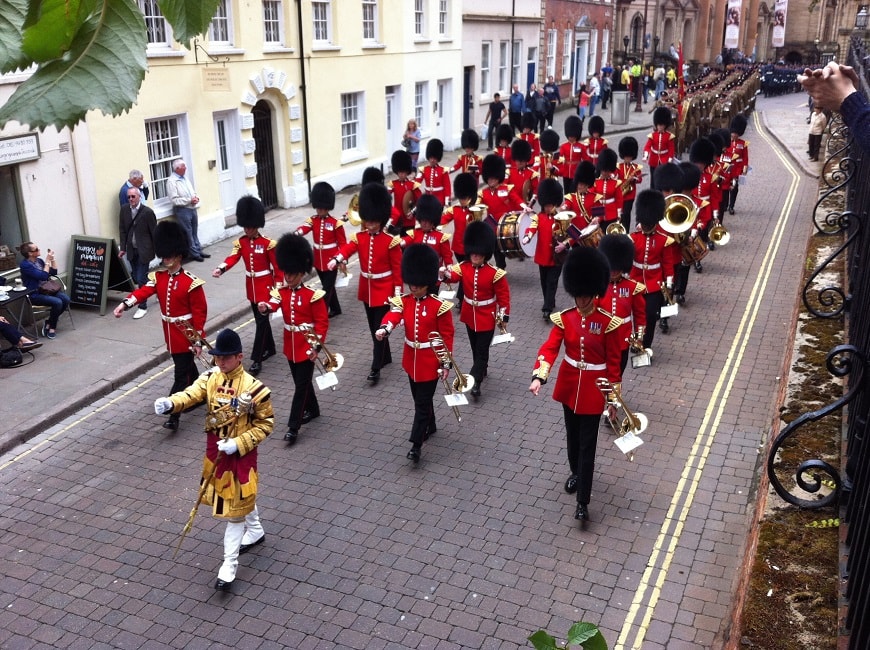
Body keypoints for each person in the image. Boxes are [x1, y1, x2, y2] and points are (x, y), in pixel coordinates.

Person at [153, 327, 273, 591]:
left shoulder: (256, 389)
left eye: (226, 358)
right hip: (214, 451)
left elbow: (266, 425)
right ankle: (256, 531)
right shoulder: (210, 378)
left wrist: (238, 443)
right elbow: (191, 395)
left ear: (239, 357)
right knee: (240, 497)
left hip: (239, 455)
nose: (220, 362)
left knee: (233, 511)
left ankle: (228, 565)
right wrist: (171, 404)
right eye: (218, 357)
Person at [528, 246, 623, 522]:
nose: (581, 300)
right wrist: (539, 376)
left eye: (585, 295)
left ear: (593, 292)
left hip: (595, 390)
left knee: (587, 446)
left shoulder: (608, 323)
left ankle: (583, 501)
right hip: (570, 385)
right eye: (577, 295)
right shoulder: (566, 318)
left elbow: (614, 364)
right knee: (572, 439)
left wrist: (612, 399)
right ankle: (575, 472)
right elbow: (550, 348)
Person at [113, 220, 207, 430]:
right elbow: (142, 292)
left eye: (169, 255)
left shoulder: (191, 282)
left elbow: (200, 314)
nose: (165, 259)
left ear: (179, 255)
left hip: (186, 334)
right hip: (171, 335)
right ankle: (202, 394)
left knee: (180, 375)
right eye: (164, 255)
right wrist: (125, 304)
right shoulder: (159, 277)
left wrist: (198, 340)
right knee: (187, 368)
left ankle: (173, 413)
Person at [376, 244, 455, 464]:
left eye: (418, 286)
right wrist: (385, 328)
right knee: (419, 400)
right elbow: (393, 315)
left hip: (430, 362)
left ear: (427, 284)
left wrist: (445, 363)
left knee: (421, 404)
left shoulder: (439, 307)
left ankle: (416, 445)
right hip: (411, 360)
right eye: (412, 284)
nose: (413, 288)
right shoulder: (404, 301)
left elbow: (446, 336)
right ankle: (431, 424)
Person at [328, 182, 403, 384]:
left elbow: (397, 270)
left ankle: (375, 367)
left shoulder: (390, 241)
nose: (369, 225)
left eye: (373, 221)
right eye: (367, 221)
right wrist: (337, 259)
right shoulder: (360, 237)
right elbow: (347, 249)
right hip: (367, 289)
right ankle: (385, 357)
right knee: (373, 328)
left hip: (385, 288)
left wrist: (397, 294)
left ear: (380, 219)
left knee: (379, 326)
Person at [258, 234, 328, 445]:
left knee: (300, 387)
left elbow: (322, 323)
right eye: (286, 273)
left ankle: (293, 426)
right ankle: (313, 409)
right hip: (290, 345)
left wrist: (316, 346)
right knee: (302, 382)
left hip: (306, 346)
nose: (287, 278)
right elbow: (273, 303)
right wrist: (265, 307)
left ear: (301, 273)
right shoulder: (282, 292)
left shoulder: (312, 295)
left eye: (292, 274)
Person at [441, 221, 510, 401]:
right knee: (475, 349)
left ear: (485, 254)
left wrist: (503, 317)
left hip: (487, 316)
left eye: (478, 254)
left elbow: (503, 298)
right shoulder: (464, 267)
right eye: (473, 253)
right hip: (469, 315)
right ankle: (482, 369)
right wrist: (444, 273)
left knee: (482, 351)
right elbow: (453, 277)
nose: (475, 256)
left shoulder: (495, 273)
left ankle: (475, 382)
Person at [213, 195, 280, 376]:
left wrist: (278, 292)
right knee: (262, 322)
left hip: (266, 289)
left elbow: (278, 269)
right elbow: (233, 257)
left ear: (256, 225)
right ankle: (271, 348)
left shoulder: (267, 244)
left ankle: (257, 359)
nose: (247, 229)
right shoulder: (241, 242)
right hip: (252, 288)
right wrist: (221, 268)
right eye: (245, 226)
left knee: (260, 324)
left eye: (250, 226)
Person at [628, 190, 679, 354]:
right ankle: (637, 340)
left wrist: (669, 284)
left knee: (650, 316)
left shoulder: (663, 240)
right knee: (637, 315)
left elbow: (667, 264)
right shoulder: (634, 238)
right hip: (636, 282)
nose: (645, 226)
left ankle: (646, 345)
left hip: (654, 285)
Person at [295, 182, 346, 318]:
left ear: (327, 208)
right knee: (327, 286)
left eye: (322, 208)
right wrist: (297, 233)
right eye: (318, 208)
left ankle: (320, 314)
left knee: (326, 289)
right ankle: (336, 308)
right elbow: (304, 228)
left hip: (331, 261)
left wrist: (342, 260)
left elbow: (342, 243)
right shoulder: (313, 220)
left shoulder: (336, 223)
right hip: (318, 260)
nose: (319, 210)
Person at [597, 234, 646, 377]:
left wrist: (639, 336)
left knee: (618, 372)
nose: (613, 272)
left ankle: (612, 395)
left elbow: (640, 315)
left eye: (616, 269)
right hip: (602, 336)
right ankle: (606, 398)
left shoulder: (632, 287)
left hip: (623, 337)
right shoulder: (599, 285)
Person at [521, 178, 567, 320]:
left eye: (550, 205)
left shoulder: (561, 217)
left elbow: (570, 232)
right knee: (544, 282)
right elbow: (532, 227)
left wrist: (566, 244)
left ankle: (546, 309)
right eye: (546, 205)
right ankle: (550, 301)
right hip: (543, 255)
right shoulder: (538, 217)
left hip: (556, 255)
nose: (548, 208)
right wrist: (527, 237)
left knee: (552, 282)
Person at [18, 242, 72, 340]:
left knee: (66, 299)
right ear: (30, 253)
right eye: (36, 249)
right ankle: (52, 327)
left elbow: (53, 272)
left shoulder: (39, 261)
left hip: (47, 290)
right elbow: (42, 276)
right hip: (35, 294)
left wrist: (52, 259)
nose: (39, 250)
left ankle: (49, 322)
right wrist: (47, 261)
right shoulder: (25, 265)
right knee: (58, 302)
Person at [118, 185, 157, 320]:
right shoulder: (124, 210)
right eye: (128, 197)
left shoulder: (147, 212)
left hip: (145, 250)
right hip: (131, 250)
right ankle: (156, 286)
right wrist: (122, 248)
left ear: (139, 196)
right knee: (137, 276)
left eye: (133, 196)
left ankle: (142, 306)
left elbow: (154, 232)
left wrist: (159, 250)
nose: (130, 199)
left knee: (140, 279)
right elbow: (122, 230)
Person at [167, 158, 208, 262]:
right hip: (182, 210)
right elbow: (174, 200)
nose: (185, 168)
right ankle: (194, 253)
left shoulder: (184, 178)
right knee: (188, 233)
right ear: (177, 168)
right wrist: (189, 200)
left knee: (194, 231)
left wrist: (195, 198)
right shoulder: (172, 181)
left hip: (192, 208)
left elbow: (191, 191)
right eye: (183, 166)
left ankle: (198, 250)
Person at [387, 150, 423, 236]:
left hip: (409, 220)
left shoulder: (413, 185)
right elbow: (386, 197)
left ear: (407, 172)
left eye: (403, 172)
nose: (401, 175)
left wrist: (413, 212)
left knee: (408, 244)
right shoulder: (393, 184)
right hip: (397, 220)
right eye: (400, 172)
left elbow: (420, 201)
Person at [643, 107, 676, 188]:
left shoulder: (669, 136)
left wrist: (669, 160)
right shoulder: (652, 135)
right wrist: (646, 156)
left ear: (665, 125)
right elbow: (647, 146)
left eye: (662, 125)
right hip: (654, 160)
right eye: (659, 125)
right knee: (653, 180)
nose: (660, 127)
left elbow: (671, 150)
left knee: (662, 180)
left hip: (664, 160)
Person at [616, 136, 643, 232]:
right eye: (626, 157)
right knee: (619, 214)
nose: (628, 159)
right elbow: (614, 176)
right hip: (620, 194)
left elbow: (640, 180)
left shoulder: (636, 167)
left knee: (626, 214)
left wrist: (634, 179)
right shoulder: (618, 166)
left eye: (629, 157)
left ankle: (626, 232)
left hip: (630, 195)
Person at [724, 115, 749, 215]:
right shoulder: (727, 142)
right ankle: (725, 205)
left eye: (735, 134)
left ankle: (731, 206)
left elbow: (745, 157)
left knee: (734, 187)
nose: (734, 135)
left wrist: (744, 168)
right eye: (733, 133)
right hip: (727, 168)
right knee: (725, 187)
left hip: (737, 169)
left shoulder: (743, 144)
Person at [417, 139, 451, 206]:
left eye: (434, 158)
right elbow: (417, 182)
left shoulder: (443, 171)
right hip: (427, 200)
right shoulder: (423, 170)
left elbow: (447, 187)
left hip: (439, 201)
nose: (432, 160)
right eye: (431, 158)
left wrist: (447, 201)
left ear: (438, 158)